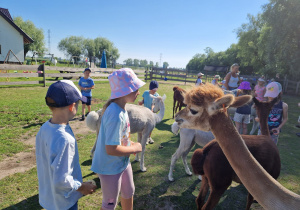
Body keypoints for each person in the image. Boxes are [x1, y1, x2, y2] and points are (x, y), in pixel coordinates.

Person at [36, 80, 96, 210]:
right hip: (64, 202)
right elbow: (61, 180)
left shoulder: (45, 128)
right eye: (78, 104)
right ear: (71, 106)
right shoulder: (65, 139)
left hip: (49, 198)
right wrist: (82, 187)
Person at [91, 68, 143, 210]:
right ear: (125, 91)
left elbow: (119, 138)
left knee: (129, 191)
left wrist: (129, 143)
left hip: (122, 162)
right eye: (135, 89)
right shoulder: (115, 114)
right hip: (109, 167)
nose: (138, 92)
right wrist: (134, 148)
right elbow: (111, 149)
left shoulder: (121, 109)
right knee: (110, 202)